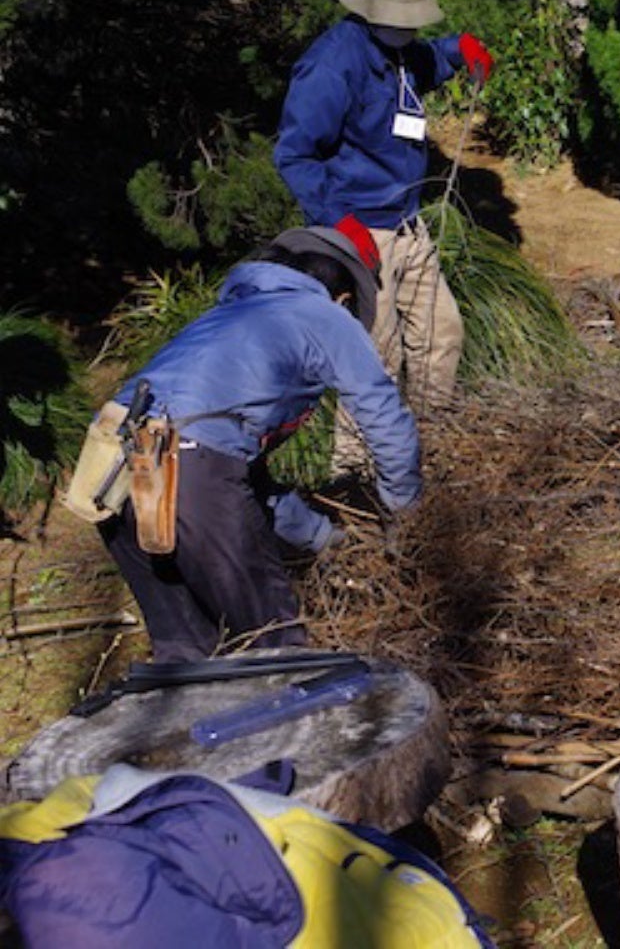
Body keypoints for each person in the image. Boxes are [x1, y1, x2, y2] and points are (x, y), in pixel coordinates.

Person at [94, 226, 422, 662]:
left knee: (186, 655)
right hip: (188, 466)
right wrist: (410, 513)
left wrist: (324, 539)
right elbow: (384, 416)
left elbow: (245, 483)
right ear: (342, 296)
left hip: (108, 471)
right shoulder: (321, 314)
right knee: (274, 646)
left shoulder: (222, 321)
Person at [273, 0, 493, 437]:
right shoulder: (331, 67)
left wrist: (459, 49)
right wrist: (340, 224)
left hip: (408, 221)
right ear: (368, 8)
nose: (407, 29)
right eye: (399, 21)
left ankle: (427, 442)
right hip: (361, 230)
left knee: (441, 333)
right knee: (376, 360)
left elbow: (424, 63)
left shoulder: (400, 49)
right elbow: (294, 155)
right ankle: (357, 478)